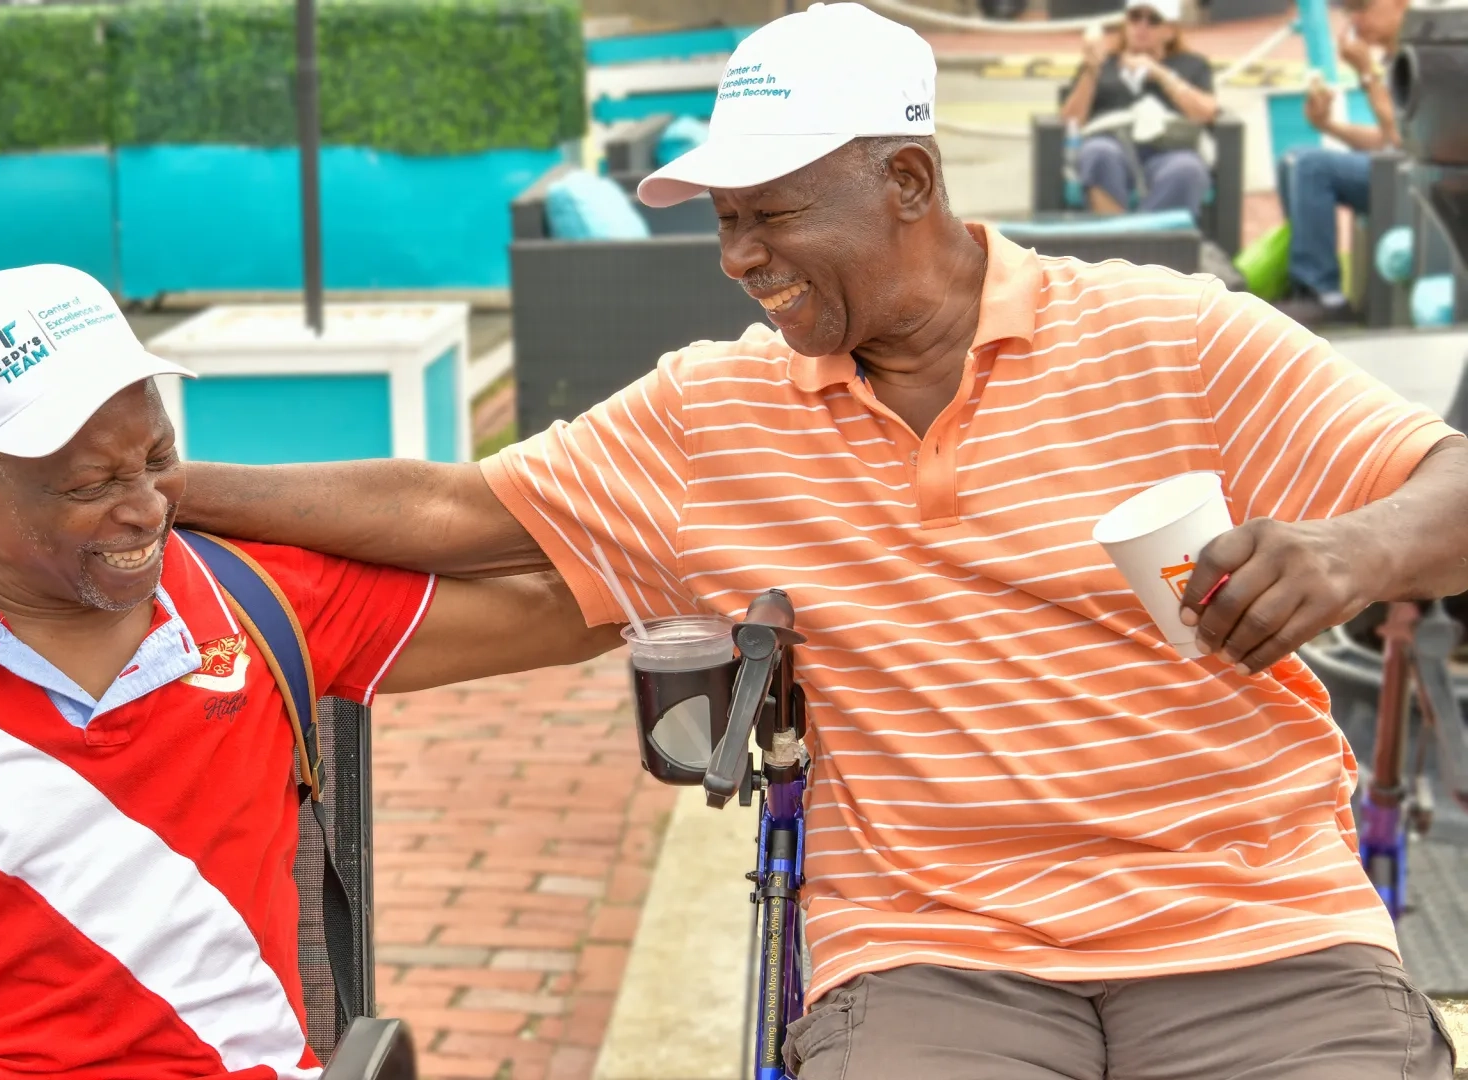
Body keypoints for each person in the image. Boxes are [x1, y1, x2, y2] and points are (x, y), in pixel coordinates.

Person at [174, 5, 1468, 1077]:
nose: (737, 258)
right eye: (723, 220)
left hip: (1256, 933)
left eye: (770, 215)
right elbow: (454, 510)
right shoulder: (713, 409)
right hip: (933, 958)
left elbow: (1450, 486)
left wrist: (1350, 551)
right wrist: (166, 488)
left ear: (905, 179)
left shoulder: (1176, 337)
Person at [0, 265, 608, 1079]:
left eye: (156, 460)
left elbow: (572, 609)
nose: (143, 511)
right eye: (89, 484)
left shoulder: (260, 604)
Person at [1274, 0, 1410, 328]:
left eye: (1362, 7)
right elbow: (1386, 140)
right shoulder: (1394, 59)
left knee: (1311, 166)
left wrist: (1366, 73)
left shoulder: (1421, 56)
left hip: (1420, 179)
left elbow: (1403, 138)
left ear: (1400, 4)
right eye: (1349, 11)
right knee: (1293, 159)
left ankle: (1325, 295)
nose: (1355, 19)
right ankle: (1303, 285)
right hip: (1397, 168)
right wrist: (1328, 127)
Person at [1059, 0, 1220, 219]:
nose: (1142, 26)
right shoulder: (1102, 64)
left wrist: (1162, 75)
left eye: (1153, 20)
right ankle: (1120, 243)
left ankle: (1134, 243)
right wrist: (1091, 71)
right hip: (1111, 142)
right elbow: (1072, 119)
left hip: (1170, 149)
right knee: (1098, 153)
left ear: (1170, 31)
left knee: (1187, 170)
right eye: (1135, 17)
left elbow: (1207, 113)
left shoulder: (1191, 65)